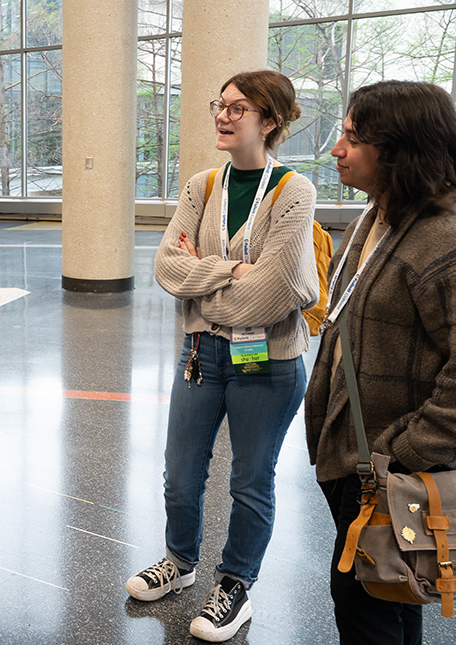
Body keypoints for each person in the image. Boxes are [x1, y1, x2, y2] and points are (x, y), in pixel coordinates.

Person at [305, 80, 456, 644]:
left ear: (398, 149)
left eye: (352, 136)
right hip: (359, 460)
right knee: (391, 591)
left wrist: (395, 455)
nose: (336, 149)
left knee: (367, 606)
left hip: (396, 469)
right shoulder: (377, 218)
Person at [128, 70, 318, 642]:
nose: (224, 115)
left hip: (269, 361)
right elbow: (166, 268)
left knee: (250, 481)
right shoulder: (201, 186)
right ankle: (181, 565)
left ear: (271, 120)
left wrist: (203, 279)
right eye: (221, 104)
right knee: (180, 476)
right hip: (200, 356)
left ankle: (235, 584)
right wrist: (235, 271)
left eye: (239, 108)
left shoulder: (294, 191)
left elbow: (277, 291)